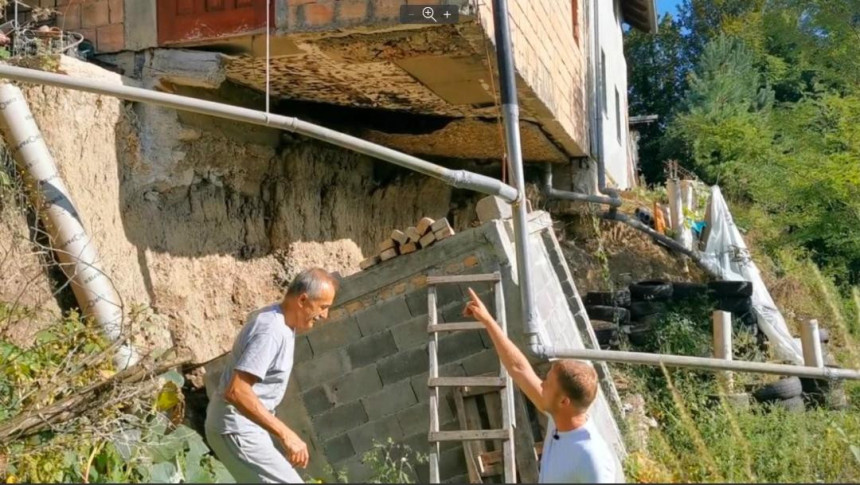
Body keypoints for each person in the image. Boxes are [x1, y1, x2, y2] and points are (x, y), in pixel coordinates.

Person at [463, 288, 617, 483]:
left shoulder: (592, 459)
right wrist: (488, 321)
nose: (541, 384)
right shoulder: (558, 417)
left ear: (564, 401)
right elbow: (519, 368)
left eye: (548, 383)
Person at [205, 268, 338, 484]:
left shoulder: (283, 323)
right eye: (323, 307)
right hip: (235, 429)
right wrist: (286, 434)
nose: (325, 315)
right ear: (303, 300)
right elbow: (236, 391)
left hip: (243, 429)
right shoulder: (271, 331)